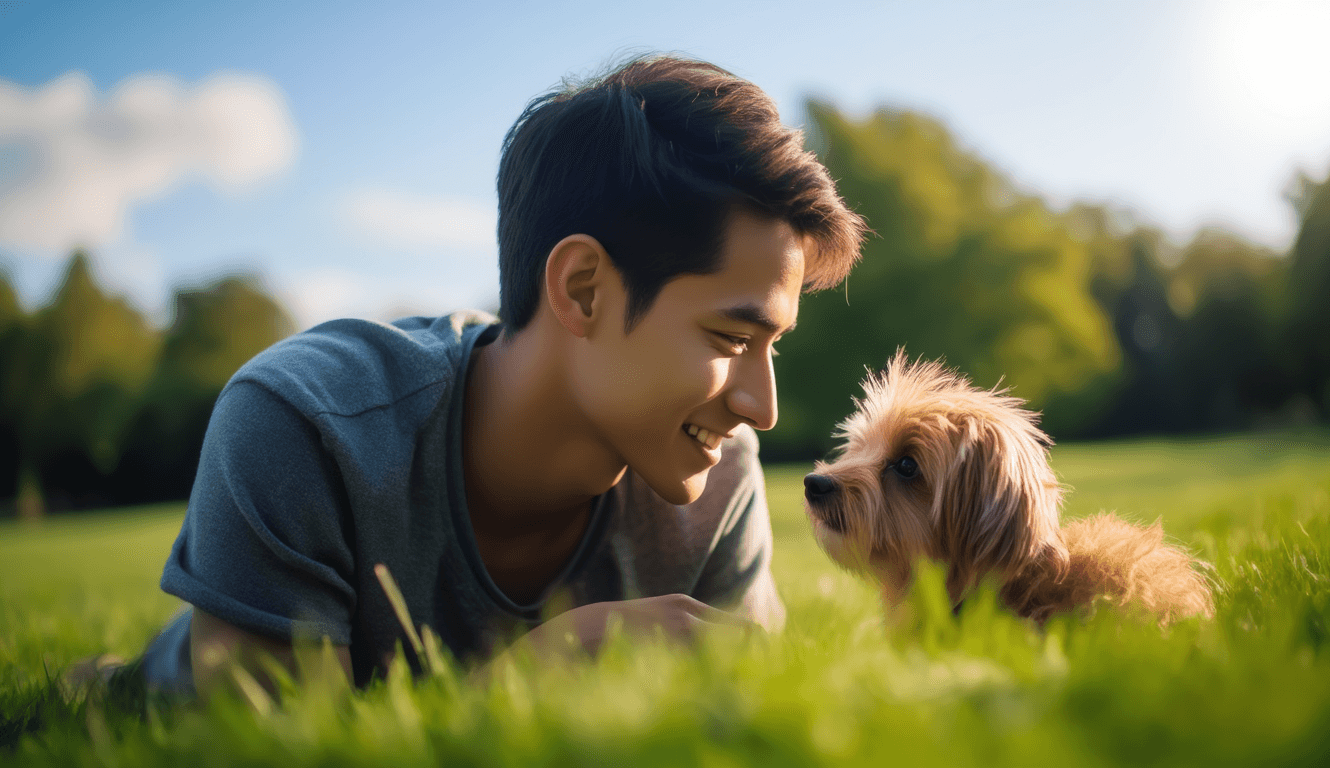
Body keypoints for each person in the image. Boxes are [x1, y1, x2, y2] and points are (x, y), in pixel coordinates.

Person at [132, 54, 867, 697]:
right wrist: (526, 676)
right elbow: (274, 748)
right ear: (583, 289)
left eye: (771, 346)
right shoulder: (306, 425)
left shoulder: (718, 477)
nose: (761, 407)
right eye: (731, 336)